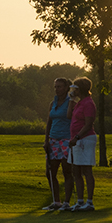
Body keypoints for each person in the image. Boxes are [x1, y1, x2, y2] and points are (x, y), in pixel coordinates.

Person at [42, 77, 75, 211]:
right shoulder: (53, 103)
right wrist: (46, 140)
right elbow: (49, 122)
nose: (57, 89)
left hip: (66, 140)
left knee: (67, 171)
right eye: (55, 87)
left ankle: (66, 202)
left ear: (67, 88)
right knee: (50, 172)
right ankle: (57, 202)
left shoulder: (71, 103)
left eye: (60, 86)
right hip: (53, 140)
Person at [67, 77, 97, 212]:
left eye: (75, 88)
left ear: (81, 89)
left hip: (85, 139)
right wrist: (71, 100)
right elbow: (69, 116)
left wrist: (78, 137)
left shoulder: (89, 104)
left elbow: (88, 124)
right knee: (76, 170)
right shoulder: (79, 103)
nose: (73, 90)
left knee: (86, 170)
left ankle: (89, 202)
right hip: (76, 140)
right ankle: (80, 201)